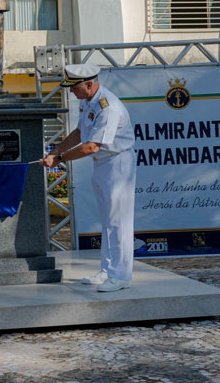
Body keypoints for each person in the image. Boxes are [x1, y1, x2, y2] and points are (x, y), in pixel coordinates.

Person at [41, 64, 136, 292]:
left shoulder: (108, 106)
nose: (71, 92)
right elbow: (79, 133)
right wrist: (55, 152)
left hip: (118, 163)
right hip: (104, 164)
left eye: (74, 88)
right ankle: (108, 269)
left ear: (89, 85)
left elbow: (92, 146)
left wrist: (60, 158)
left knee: (118, 221)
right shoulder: (88, 101)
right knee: (107, 220)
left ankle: (121, 276)